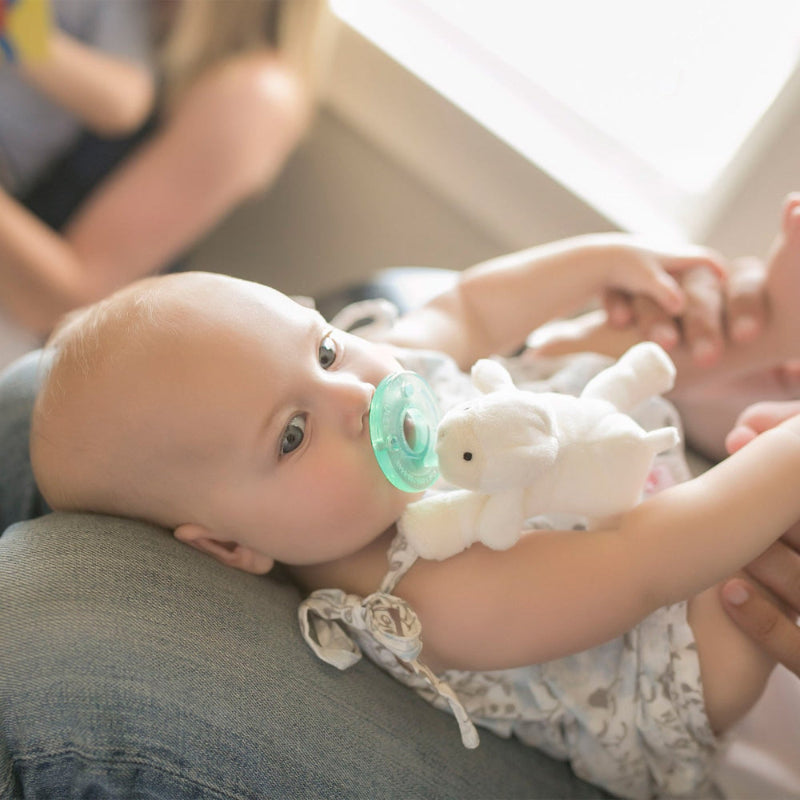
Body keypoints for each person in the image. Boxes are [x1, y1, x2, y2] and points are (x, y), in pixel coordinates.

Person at [25, 202, 800, 800]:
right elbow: (640, 563)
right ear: (230, 546)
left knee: (564, 356)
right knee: (736, 592)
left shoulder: (373, 386)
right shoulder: (415, 591)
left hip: (586, 470)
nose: (356, 395)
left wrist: (603, 262)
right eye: (292, 434)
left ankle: (766, 327)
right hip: (661, 645)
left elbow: (471, 308)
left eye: (324, 347)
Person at [0, 0, 331, 359]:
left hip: (33, 344)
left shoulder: (255, 94)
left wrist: (16, 30)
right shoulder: (140, 18)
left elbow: (64, 303)